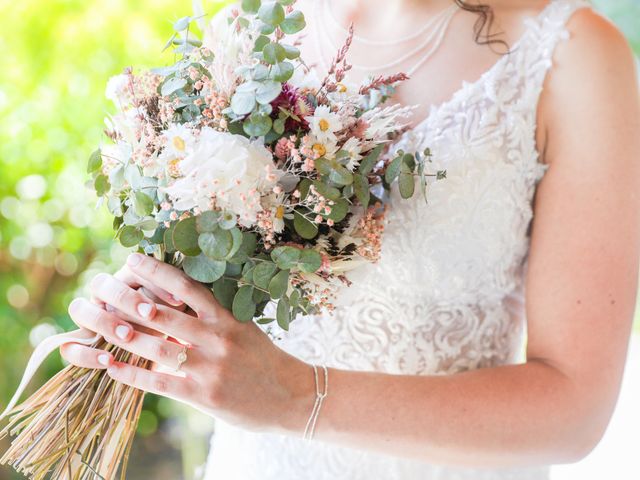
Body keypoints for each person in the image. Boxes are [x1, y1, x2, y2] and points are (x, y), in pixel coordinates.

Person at [60, 0, 640, 478]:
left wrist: (296, 397)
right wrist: (147, 319)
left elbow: (574, 409)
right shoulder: (248, 26)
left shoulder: (571, 57)